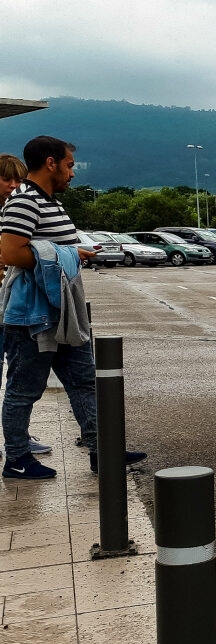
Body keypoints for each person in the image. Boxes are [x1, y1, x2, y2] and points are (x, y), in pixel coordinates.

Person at [0, 136, 145, 479]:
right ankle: (17, 458)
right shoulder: (24, 202)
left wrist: (65, 252)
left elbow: (42, 247)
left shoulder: (52, 203)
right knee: (24, 389)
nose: (72, 174)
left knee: (83, 381)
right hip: (34, 313)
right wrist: (68, 254)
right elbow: (10, 253)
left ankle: (102, 449)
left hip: (64, 310)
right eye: (69, 166)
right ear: (50, 163)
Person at [0, 154, 52, 457]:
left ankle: (18, 436)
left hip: (10, 309)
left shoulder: (12, 212)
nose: (14, 185)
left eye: (18, 180)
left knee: (16, 378)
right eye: (7, 179)